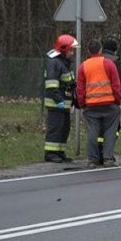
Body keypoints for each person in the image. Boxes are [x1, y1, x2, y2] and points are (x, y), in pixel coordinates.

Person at [77, 39, 121, 168]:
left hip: (91, 105)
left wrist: (82, 104)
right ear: (100, 50)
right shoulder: (108, 64)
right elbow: (116, 85)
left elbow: (80, 88)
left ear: (88, 51)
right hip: (109, 104)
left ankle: (92, 159)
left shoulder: (83, 66)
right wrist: (117, 101)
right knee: (110, 132)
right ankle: (108, 158)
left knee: (92, 132)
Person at [43, 34, 78, 163]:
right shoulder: (54, 62)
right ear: (64, 49)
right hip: (56, 104)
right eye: (70, 50)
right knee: (55, 129)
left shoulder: (63, 62)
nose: (72, 53)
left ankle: (59, 151)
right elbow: (52, 85)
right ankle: (50, 154)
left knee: (64, 129)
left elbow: (68, 82)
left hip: (64, 103)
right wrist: (59, 101)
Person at [98, 36, 121, 160]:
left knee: (98, 127)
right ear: (115, 50)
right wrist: (118, 99)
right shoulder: (116, 61)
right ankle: (107, 151)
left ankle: (98, 151)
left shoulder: (95, 59)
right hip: (111, 100)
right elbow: (120, 82)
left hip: (93, 100)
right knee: (114, 127)